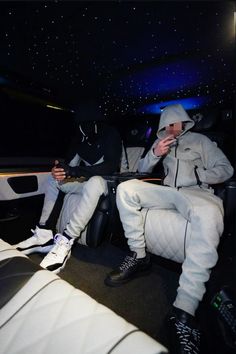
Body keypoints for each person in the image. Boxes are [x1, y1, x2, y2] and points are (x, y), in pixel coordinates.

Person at [104, 104, 234, 354]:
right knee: (126, 189)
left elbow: (226, 169)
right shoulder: (160, 142)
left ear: (185, 124)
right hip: (168, 193)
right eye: (166, 126)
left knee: (209, 213)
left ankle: (184, 312)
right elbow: (142, 170)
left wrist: (197, 175)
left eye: (176, 124)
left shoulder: (201, 140)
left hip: (196, 192)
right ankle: (138, 256)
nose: (171, 130)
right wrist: (154, 152)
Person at [15, 120, 122, 274]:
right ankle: (43, 235)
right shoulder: (79, 136)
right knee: (54, 179)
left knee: (95, 182)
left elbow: (110, 166)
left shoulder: (110, 133)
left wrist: (74, 171)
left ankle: (66, 240)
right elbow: (70, 164)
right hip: (87, 181)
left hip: (109, 183)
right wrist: (60, 171)